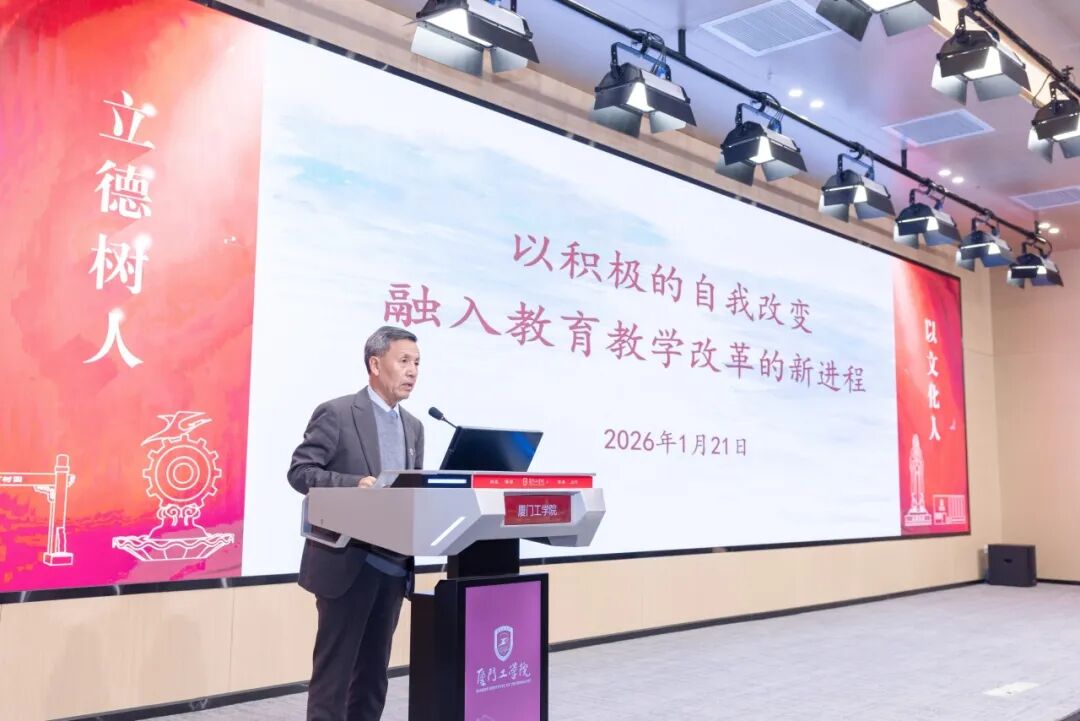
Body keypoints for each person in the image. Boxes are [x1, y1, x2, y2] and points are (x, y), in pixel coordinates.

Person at [288, 325, 425, 721]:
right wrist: (354, 484)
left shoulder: (414, 427)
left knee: (373, 676)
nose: (412, 371)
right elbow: (300, 472)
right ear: (375, 364)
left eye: (417, 363)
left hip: (393, 566)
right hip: (347, 561)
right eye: (404, 361)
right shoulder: (337, 413)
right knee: (334, 675)